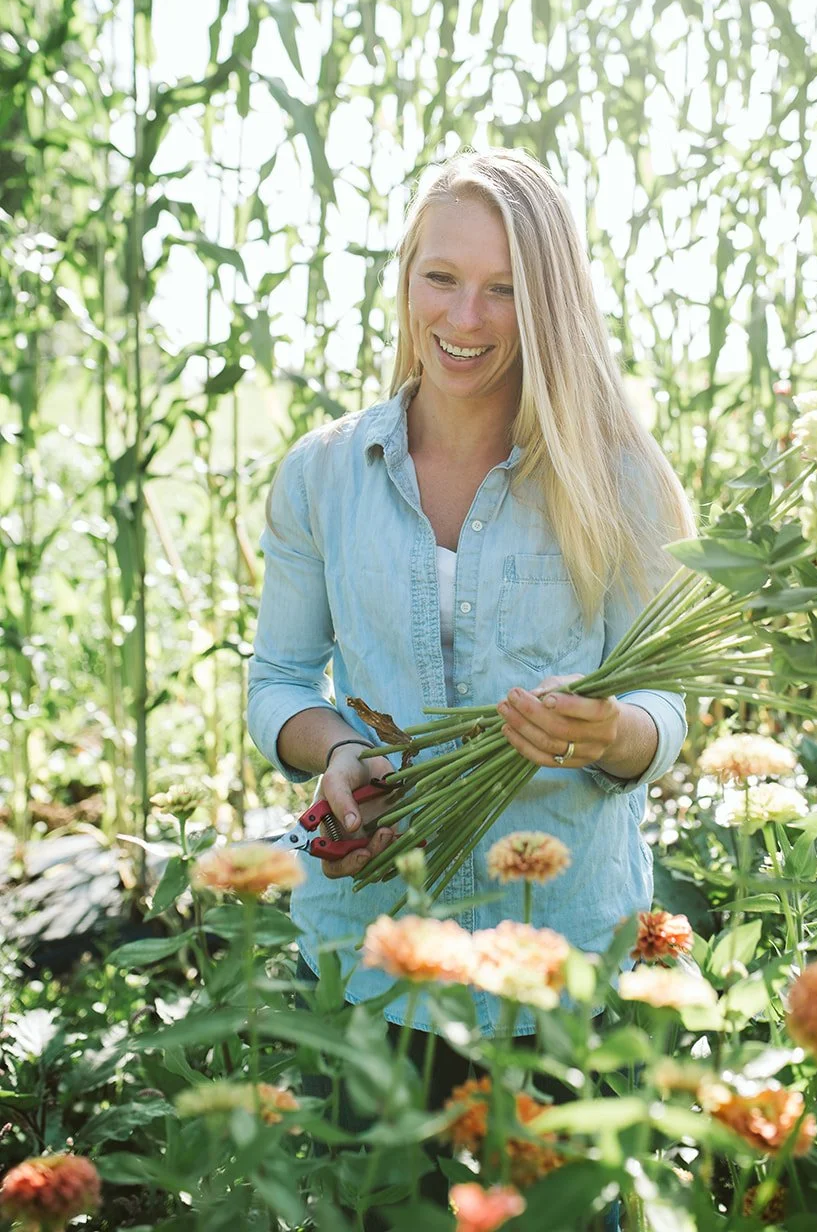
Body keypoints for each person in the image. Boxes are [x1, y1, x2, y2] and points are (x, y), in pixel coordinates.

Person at [247, 146, 694, 1109]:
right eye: (441, 278)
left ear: (547, 308)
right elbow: (279, 680)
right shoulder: (323, 476)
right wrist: (339, 752)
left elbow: (667, 702)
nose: (463, 318)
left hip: (559, 955)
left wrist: (615, 734)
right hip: (371, 946)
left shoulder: (616, 483)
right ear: (406, 275)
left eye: (502, 290)